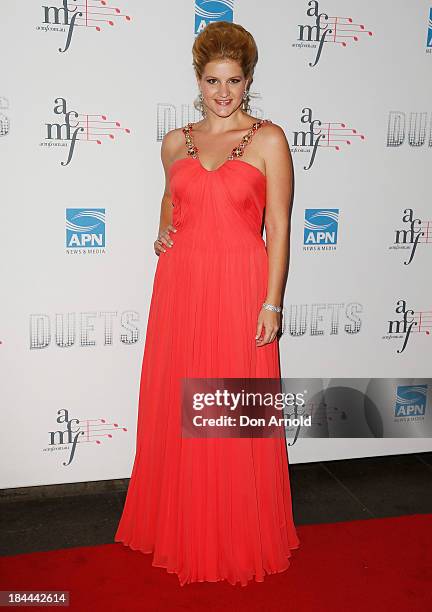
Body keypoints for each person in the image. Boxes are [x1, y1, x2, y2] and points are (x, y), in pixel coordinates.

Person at [115, 20, 300, 586]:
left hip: (241, 288)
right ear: (198, 81)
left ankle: (238, 533)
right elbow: (172, 202)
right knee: (181, 408)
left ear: (248, 82)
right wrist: (163, 231)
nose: (223, 92)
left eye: (234, 80)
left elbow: (280, 227)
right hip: (183, 289)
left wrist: (272, 304)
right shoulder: (176, 141)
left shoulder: (269, 140)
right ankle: (184, 527)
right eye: (213, 80)